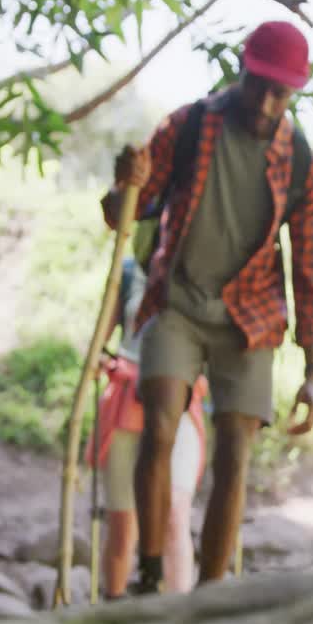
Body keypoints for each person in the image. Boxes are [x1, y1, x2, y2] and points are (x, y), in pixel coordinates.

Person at [100, 19, 313, 595]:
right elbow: (126, 211)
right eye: (261, 85)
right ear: (243, 70)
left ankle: (210, 593)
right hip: (176, 300)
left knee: (235, 449)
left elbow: (310, 268)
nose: (268, 101)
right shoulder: (191, 125)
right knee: (159, 424)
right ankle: (150, 578)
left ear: (295, 91)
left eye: (283, 91)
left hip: (250, 317)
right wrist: (123, 186)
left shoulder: (301, 165)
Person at [85, 254, 210, 599]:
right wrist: (97, 359)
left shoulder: (201, 266)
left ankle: (179, 612)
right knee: (123, 525)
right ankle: (114, 609)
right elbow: (100, 339)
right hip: (128, 399)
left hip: (181, 402)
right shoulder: (128, 273)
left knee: (174, 514)